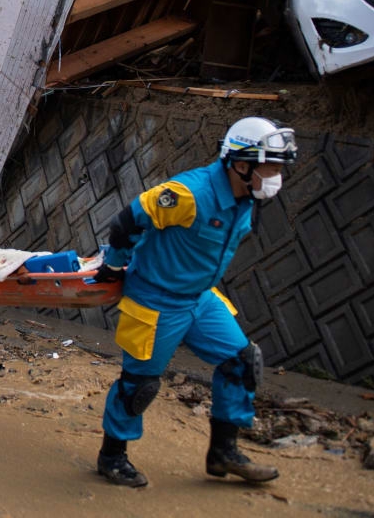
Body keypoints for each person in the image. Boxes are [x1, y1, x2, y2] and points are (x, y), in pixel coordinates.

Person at [92, 117, 297, 488]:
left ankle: (223, 453)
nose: (276, 176)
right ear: (240, 162)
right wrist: (115, 263)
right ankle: (112, 456)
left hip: (199, 299)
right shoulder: (188, 194)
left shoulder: (244, 198)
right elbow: (127, 221)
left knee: (242, 361)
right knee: (139, 384)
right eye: (271, 166)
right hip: (155, 299)